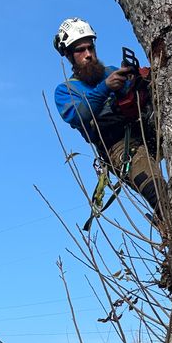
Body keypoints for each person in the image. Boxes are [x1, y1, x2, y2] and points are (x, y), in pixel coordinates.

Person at [53, 17, 162, 217]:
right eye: (80, 50)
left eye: (90, 48)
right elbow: (80, 114)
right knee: (157, 191)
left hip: (147, 128)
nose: (88, 55)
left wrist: (138, 80)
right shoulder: (66, 91)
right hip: (121, 147)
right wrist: (106, 88)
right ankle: (171, 224)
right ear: (69, 55)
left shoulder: (112, 72)